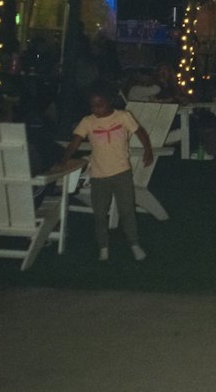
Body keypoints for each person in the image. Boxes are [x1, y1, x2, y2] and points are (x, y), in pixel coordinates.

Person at [51, 85, 154, 262]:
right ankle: (103, 247)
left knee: (127, 210)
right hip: (99, 175)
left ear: (110, 102)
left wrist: (148, 150)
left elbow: (140, 132)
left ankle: (134, 243)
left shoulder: (122, 117)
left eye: (100, 105)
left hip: (121, 172)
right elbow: (75, 142)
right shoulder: (88, 121)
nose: (96, 109)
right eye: (93, 106)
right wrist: (64, 160)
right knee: (99, 213)